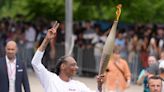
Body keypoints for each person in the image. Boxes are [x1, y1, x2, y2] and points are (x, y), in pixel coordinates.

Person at [31, 21, 103, 92]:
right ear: (63, 66)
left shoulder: (78, 86)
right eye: (73, 65)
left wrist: (99, 86)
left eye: (76, 65)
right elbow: (35, 62)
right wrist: (46, 40)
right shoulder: (50, 79)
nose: (76, 68)